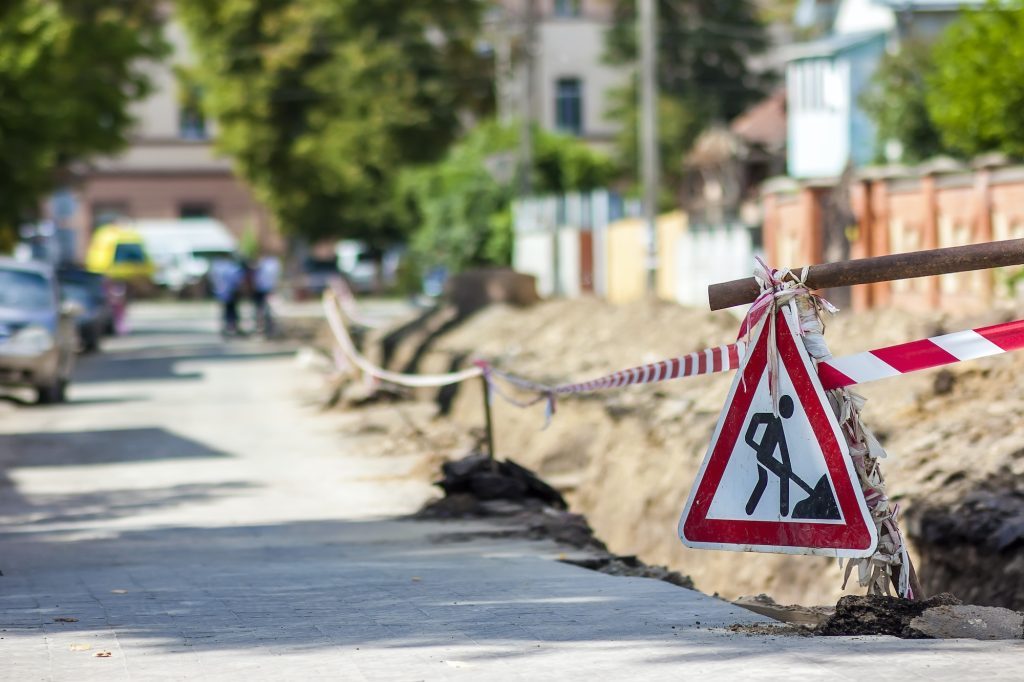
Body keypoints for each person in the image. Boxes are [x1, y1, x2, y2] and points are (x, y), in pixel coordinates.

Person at [209, 255, 244, 336]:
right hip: (231, 292)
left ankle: (228, 326)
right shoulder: (232, 267)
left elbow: (214, 279)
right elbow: (237, 279)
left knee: (226, 310)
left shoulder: (218, 267)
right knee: (232, 310)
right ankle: (232, 326)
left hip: (222, 292)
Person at [251, 254, 280, 338]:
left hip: (263, 289)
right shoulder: (273, 263)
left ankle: (263, 328)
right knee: (265, 310)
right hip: (265, 289)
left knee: (263, 310)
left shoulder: (263, 263)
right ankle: (264, 328)